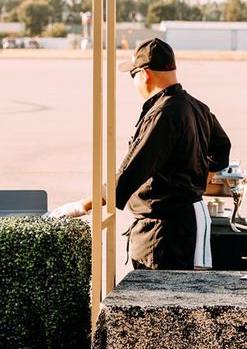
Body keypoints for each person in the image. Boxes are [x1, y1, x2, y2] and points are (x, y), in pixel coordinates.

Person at [49, 37, 231, 269]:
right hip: (190, 220)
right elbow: (222, 149)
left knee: (158, 300)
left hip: (164, 232)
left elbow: (131, 171)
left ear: (144, 74)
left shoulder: (163, 114)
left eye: (132, 75)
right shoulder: (195, 106)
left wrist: (81, 206)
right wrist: (198, 178)